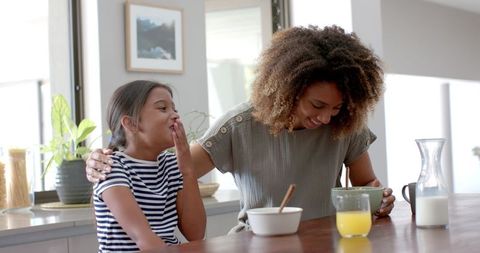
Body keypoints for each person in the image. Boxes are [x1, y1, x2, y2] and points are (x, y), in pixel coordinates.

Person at [87, 25, 395, 233]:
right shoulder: (241, 126)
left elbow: (365, 182)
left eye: (336, 107)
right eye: (317, 106)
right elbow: (170, 169)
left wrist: (379, 199)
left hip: (329, 240)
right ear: (290, 90)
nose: (327, 118)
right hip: (259, 243)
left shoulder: (345, 126)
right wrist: (105, 159)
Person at [93, 80, 206, 252]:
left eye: (174, 109)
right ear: (131, 123)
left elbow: (196, 234)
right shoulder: (112, 168)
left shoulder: (171, 166)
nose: (175, 115)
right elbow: (144, 240)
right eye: (162, 108)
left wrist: (187, 170)